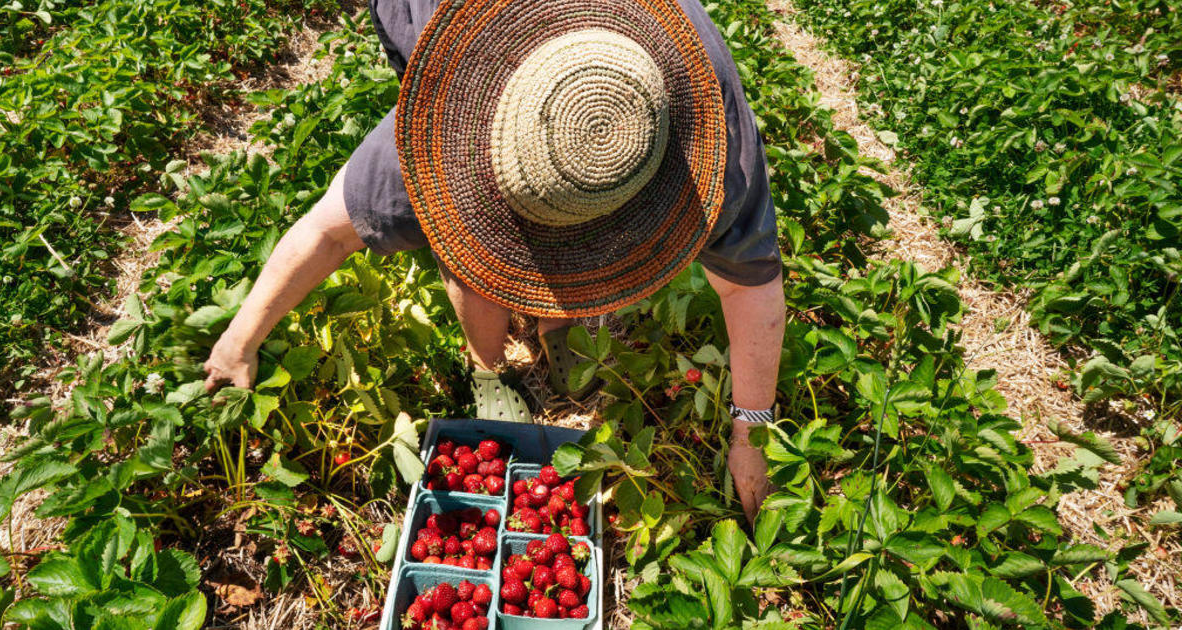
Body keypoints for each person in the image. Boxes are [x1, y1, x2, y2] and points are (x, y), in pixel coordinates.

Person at [202, 0, 785, 521]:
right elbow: (327, 234)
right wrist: (238, 343)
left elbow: (750, 285)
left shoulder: (718, 143)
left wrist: (750, 433)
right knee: (464, 234)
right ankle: (487, 366)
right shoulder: (422, 153)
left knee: (557, 228)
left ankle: (561, 337)